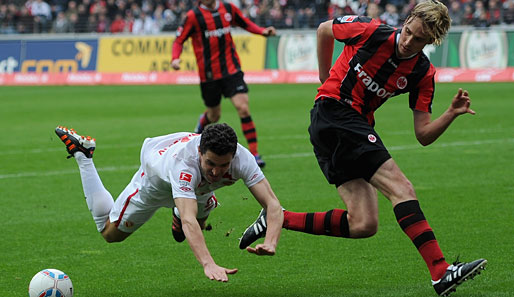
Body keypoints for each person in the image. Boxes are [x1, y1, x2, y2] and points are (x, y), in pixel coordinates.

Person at [238, 1, 486, 296]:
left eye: (418, 39)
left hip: (347, 128)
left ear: (431, 41)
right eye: (408, 32)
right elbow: (324, 30)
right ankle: (441, 271)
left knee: (364, 223)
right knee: (402, 188)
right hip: (334, 112)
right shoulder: (371, 30)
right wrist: (323, 75)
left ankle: (278, 217)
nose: (408, 42)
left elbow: (423, 134)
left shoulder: (423, 73)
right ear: (404, 21)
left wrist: (450, 114)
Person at [55, 123, 283, 282]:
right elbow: (188, 219)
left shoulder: (243, 159)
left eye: (224, 165)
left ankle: (187, 201)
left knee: (190, 227)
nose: (216, 171)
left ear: (233, 155)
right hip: (155, 182)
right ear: (200, 152)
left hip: (198, 189)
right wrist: (208, 263)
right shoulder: (184, 165)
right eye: (210, 163)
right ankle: (83, 155)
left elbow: (272, 204)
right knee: (110, 235)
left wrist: (271, 241)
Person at [171, 0, 276, 168]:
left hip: (231, 70)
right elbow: (179, 40)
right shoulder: (193, 16)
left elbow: (245, 23)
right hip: (209, 75)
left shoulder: (228, 9)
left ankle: (255, 154)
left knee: (243, 108)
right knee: (214, 116)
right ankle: (202, 122)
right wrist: (175, 58)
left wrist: (262, 31)